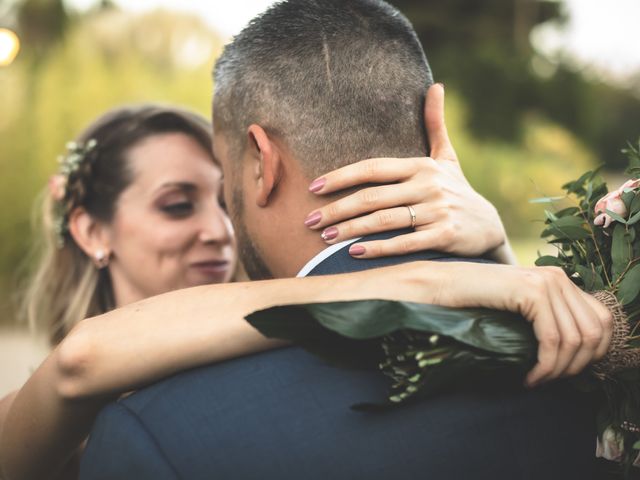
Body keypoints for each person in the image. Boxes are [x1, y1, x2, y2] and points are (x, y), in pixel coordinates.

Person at [77, 1, 612, 479]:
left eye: (224, 179)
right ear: (432, 130)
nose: (219, 228)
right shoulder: (590, 348)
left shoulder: (159, 434)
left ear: (263, 164)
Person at [0, 93, 537, 480]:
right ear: (92, 230)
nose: (219, 231)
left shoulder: (282, 359)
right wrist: (421, 280)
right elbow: (80, 362)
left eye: (225, 201)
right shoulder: (32, 407)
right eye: (177, 205)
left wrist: (493, 249)